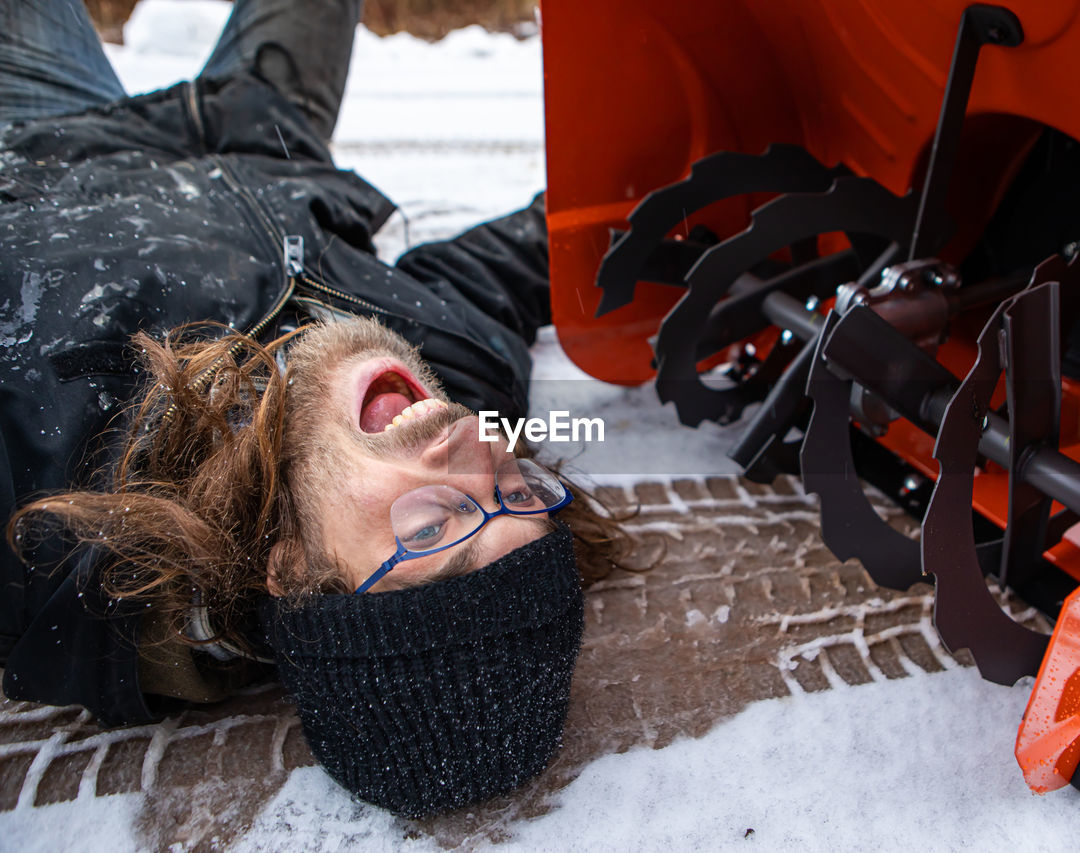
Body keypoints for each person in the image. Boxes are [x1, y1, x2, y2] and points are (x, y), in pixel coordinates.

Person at [0, 0, 626, 819]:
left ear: (291, 568)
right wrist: (648, 213)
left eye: (433, 528)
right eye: (514, 491)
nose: (474, 443)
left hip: (44, 130)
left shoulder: (48, 515)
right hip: (260, 128)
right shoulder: (459, 382)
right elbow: (487, 276)